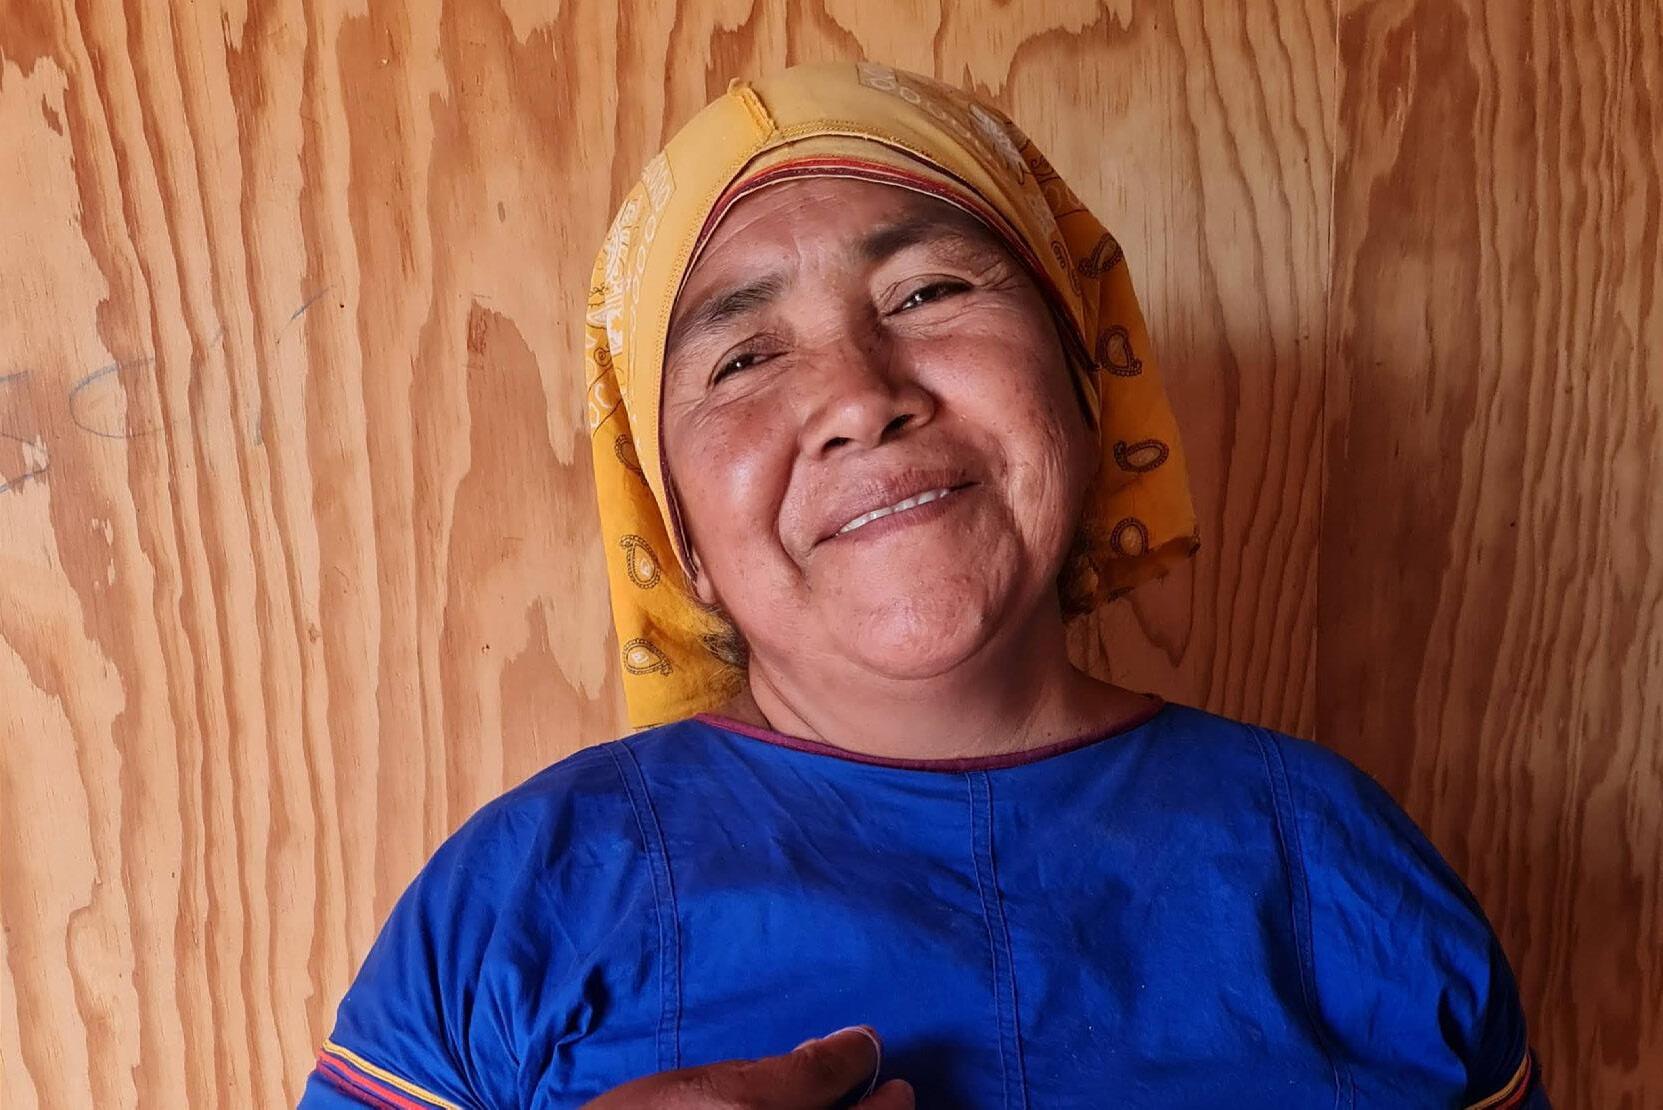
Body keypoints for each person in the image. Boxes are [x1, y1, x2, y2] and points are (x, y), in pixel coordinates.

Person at [299, 61, 1545, 1109]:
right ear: (675, 536)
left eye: (929, 291)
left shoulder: (1337, 862)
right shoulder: (517, 905)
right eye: (742, 358)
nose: (858, 395)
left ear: (1087, 388)